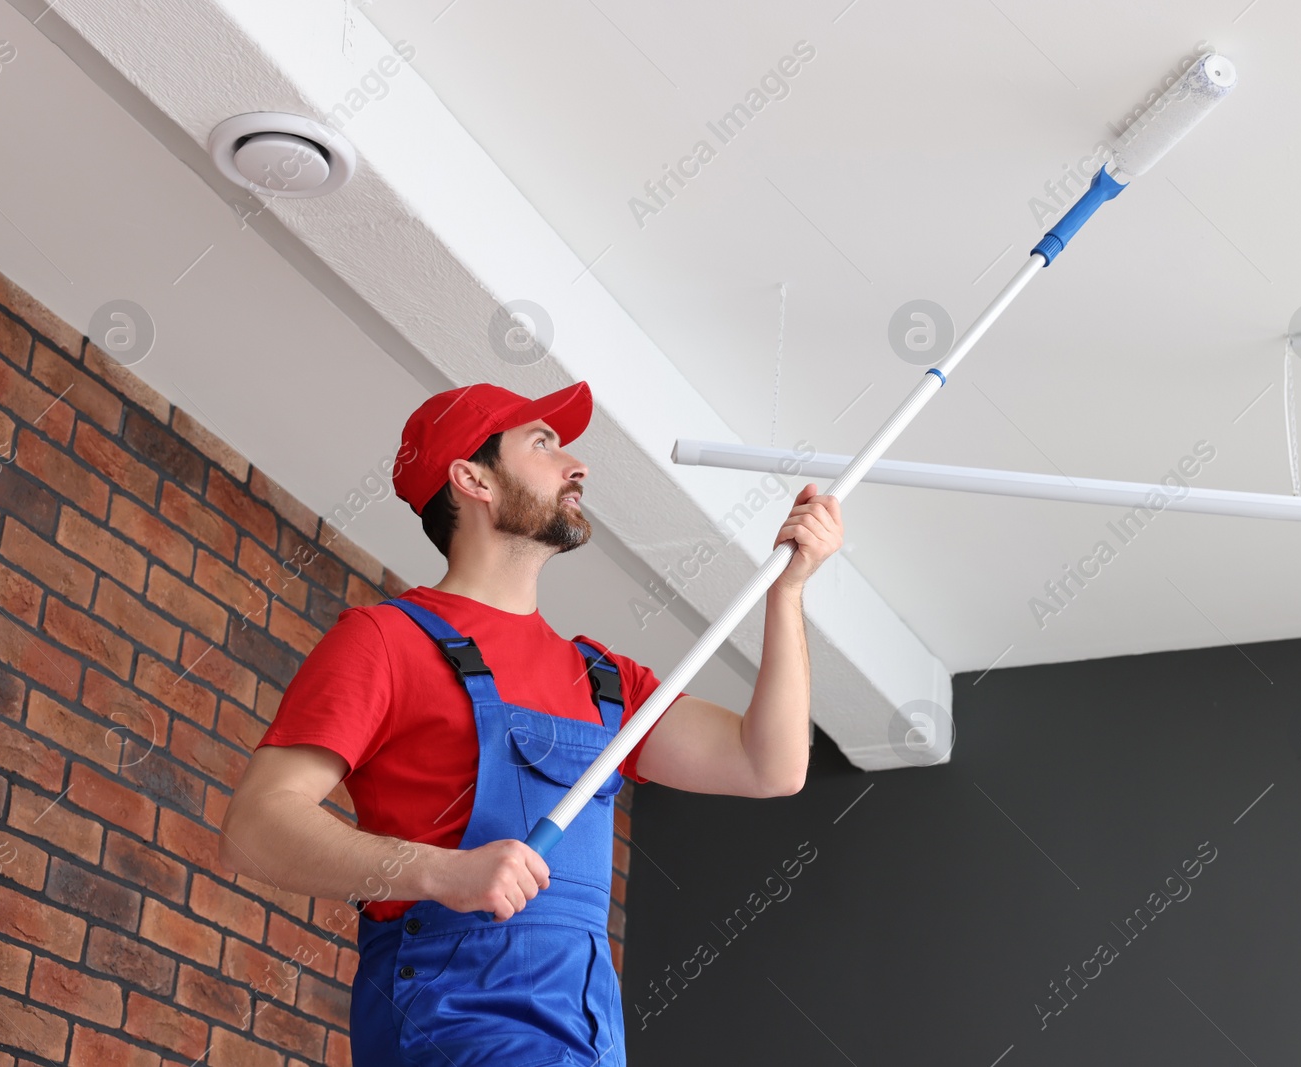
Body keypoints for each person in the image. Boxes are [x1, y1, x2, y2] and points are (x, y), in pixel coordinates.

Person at [217, 380, 843, 1066]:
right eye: (543, 444)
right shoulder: (386, 641)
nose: (578, 466)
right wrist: (443, 872)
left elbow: (770, 763)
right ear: (472, 478)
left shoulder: (604, 681)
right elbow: (256, 827)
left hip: (587, 1035)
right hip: (455, 1024)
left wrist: (788, 591)